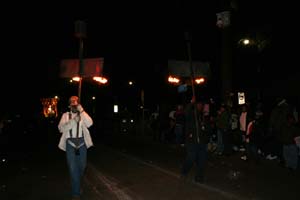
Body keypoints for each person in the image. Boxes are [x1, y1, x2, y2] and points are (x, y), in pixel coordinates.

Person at [58, 96, 93, 200]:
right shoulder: (65, 115)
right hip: (70, 144)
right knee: (73, 169)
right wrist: (74, 121)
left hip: (82, 144)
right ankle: (76, 193)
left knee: (82, 167)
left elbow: (90, 123)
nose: (74, 103)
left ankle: (76, 183)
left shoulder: (82, 114)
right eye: (72, 102)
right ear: (69, 104)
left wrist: (81, 111)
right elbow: (61, 128)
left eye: (76, 101)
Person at [180, 96, 210, 184]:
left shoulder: (204, 116)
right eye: (199, 104)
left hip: (202, 142)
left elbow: (208, 129)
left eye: (202, 105)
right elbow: (186, 113)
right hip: (192, 141)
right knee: (191, 158)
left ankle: (199, 177)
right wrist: (191, 103)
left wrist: (206, 131)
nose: (200, 106)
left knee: (202, 160)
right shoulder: (192, 114)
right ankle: (184, 172)